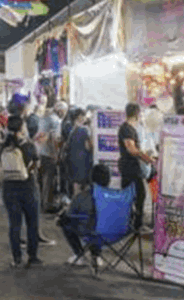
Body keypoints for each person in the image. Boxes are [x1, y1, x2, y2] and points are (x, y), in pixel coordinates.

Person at [0, 116, 41, 268]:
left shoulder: (3, 145)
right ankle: (32, 256)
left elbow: (0, 164)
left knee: (14, 225)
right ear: (22, 128)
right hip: (28, 187)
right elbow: (36, 165)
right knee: (32, 223)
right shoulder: (28, 145)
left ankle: (16, 258)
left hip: (9, 188)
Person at [59, 164, 113, 267]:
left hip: (86, 230)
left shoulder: (81, 196)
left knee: (65, 222)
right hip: (112, 232)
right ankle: (96, 256)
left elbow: (69, 215)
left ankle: (79, 254)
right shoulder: (116, 197)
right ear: (109, 180)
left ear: (91, 178)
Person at [119, 102, 156, 230]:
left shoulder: (131, 128)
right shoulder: (127, 129)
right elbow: (132, 149)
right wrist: (146, 158)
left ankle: (132, 223)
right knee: (138, 195)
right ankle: (136, 225)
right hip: (130, 168)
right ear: (137, 114)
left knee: (137, 196)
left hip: (133, 167)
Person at [37, 103, 67, 213]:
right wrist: (56, 154)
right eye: (64, 111)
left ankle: (42, 202)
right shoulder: (56, 121)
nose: (64, 114)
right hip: (49, 154)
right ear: (60, 110)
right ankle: (47, 205)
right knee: (49, 181)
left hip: (41, 152)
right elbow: (55, 139)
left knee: (42, 179)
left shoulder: (43, 119)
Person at [66, 108, 93, 194]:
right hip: (83, 161)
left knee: (76, 188)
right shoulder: (85, 130)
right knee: (84, 188)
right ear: (80, 117)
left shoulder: (71, 130)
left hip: (73, 160)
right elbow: (88, 146)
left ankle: (75, 205)